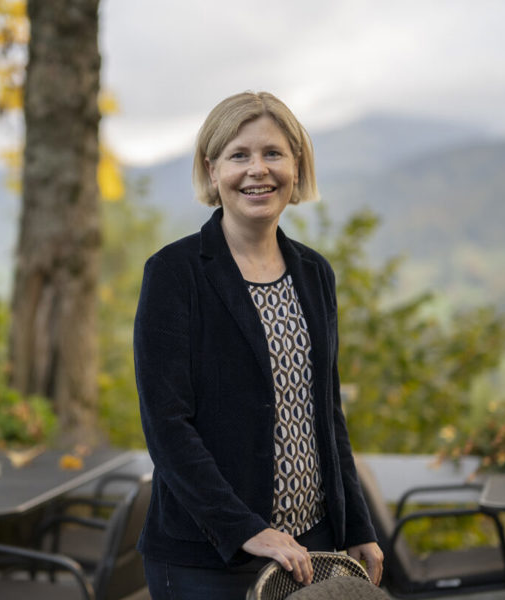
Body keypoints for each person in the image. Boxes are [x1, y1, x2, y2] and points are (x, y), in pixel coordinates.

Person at [133, 91, 384, 600]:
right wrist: (246, 529)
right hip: (207, 557)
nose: (258, 171)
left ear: (296, 165)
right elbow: (167, 427)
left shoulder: (314, 273)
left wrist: (357, 525)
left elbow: (326, 413)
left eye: (273, 153)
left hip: (311, 548)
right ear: (212, 169)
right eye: (239, 155)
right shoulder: (174, 274)